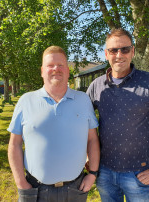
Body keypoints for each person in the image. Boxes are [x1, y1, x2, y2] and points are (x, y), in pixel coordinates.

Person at [86, 28, 149, 202]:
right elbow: (82, 125)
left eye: (124, 49)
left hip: (138, 173)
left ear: (132, 51)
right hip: (105, 173)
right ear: (106, 54)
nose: (119, 55)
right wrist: (88, 157)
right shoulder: (96, 86)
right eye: (113, 50)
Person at [8, 46, 100, 202]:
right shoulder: (26, 101)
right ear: (42, 71)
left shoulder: (83, 100)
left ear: (68, 71)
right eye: (50, 65)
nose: (56, 69)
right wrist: (20, 182)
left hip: (75, 189)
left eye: (61, 65)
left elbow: (92, 140)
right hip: (35, 189)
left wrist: (92, 174)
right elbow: (14, 144)